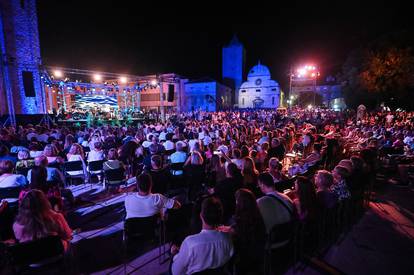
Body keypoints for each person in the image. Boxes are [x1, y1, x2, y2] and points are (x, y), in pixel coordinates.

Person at [171, 197, 234, 275]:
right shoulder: (228, 239)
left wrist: (175, 255)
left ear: (201, 216)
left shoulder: (190, 243)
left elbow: (176, 272)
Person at [230, 189, 266, 274]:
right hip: (259, 256)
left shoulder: (241, 220)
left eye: (236, 200)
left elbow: (240, 238)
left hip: (245, 259)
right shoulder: (258, 216)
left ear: (240, 203)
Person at [256, 172, 294, 243]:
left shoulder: (260, 202)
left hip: (273, 244)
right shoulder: (286, 197)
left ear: (262, 185)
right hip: (290, 239)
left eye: (259, 185)